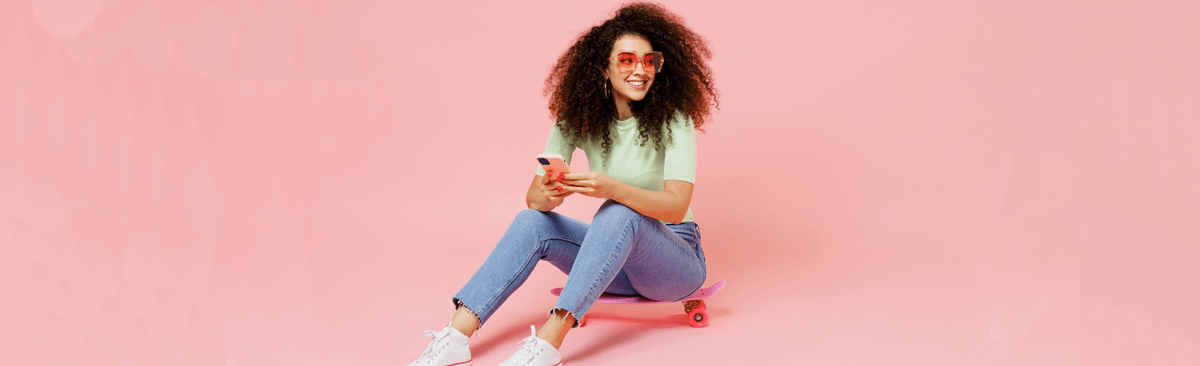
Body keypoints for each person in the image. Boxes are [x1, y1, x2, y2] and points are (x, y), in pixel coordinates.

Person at [407, 3, 718, 365]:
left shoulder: (674, 119)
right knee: (531, 223)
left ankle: (548, 343)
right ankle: (456, 335)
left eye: (650, 61)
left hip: (674, 262)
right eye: (627, 60)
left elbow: (677, 205)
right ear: (603, 66)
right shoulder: (577, 117)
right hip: (613, 265)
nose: (641, 70)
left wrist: (611, 189)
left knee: (617, 210)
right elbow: (534, 201)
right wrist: (550, 191)